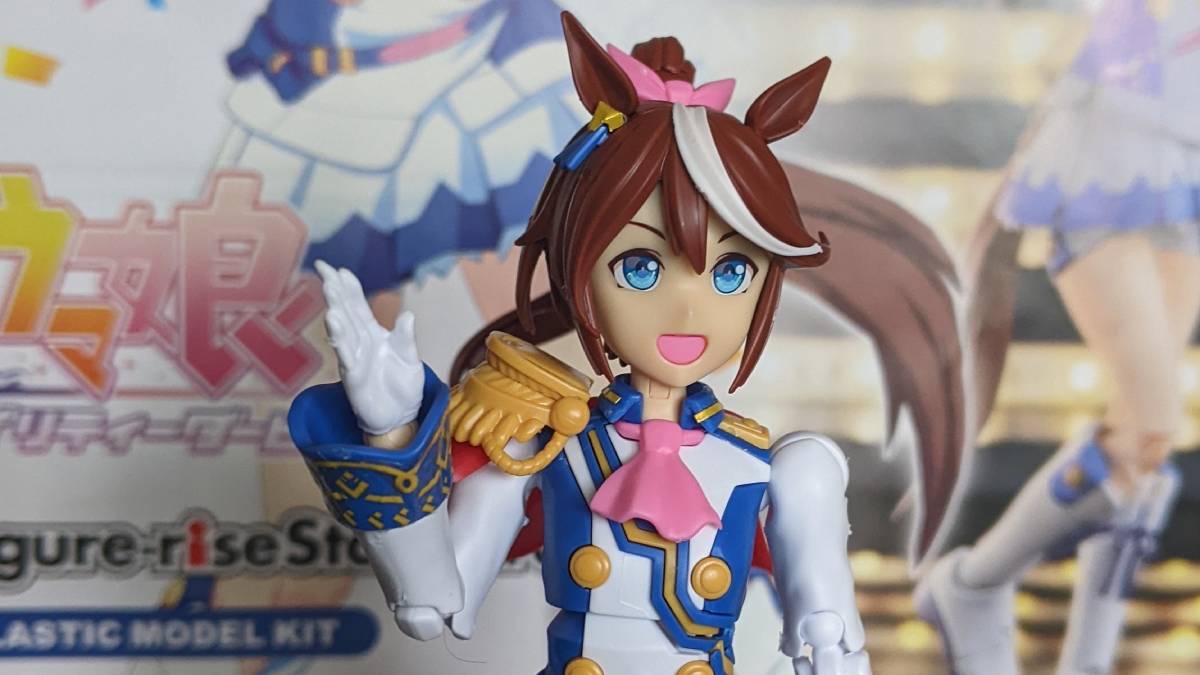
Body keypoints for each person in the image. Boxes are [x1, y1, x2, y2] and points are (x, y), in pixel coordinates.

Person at [289, 12, 963, 674]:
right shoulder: (543, 439)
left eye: (731, 272)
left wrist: (832, 640)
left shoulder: (765, 463)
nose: (688, 307)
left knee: (813, 463)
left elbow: (826, 632)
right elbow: (432, 604)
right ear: (578, 271)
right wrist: (389, 431)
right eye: (640, 267)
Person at [917, 1, 1200, 673]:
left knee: (1143, 444)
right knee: (1153, 424)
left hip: (1182, 168)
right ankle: (975, 583)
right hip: (1103, 162)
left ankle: (1086, 658)